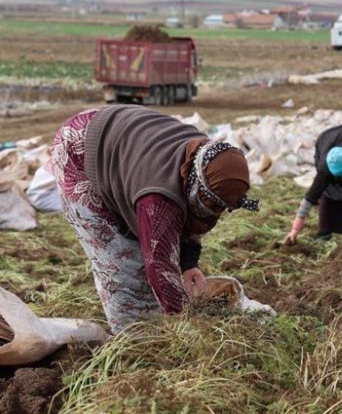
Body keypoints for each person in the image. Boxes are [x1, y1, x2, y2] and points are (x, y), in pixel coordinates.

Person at [50, 105, 258, 334]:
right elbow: (159, 266)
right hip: (79, 151)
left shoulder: (206, 159)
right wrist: (184, 325)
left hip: (122, 141)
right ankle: (132, 339)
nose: (216, 213)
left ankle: (149, 320)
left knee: (146, 254)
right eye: (212, 203)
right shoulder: (159, 198)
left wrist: (189, 264)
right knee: (123, 265)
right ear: (197, 184)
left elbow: (192, 213)